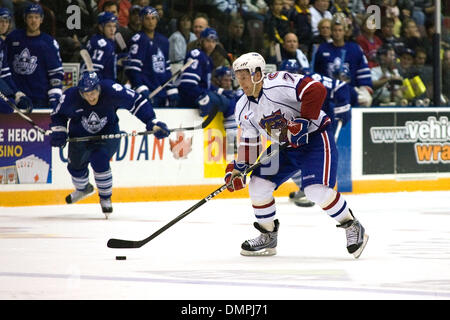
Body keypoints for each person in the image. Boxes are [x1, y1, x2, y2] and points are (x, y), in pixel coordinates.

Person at [226, 52, 368, 258]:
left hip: (315, 138)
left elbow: (316, 90)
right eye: (238, 76)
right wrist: (239, 168)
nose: (241, 81)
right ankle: (268, 236)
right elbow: (251, 142)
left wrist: (303, 121)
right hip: (285, 146)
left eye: (244, 75)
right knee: (258, 184)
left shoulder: (277, 83)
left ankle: (351, 225)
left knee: (315, 191)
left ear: (258, 73)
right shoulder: (242, 107)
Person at [49, 71, 170, 217]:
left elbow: (137, 101)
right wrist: (59, 130)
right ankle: (83, 189)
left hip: (107, 135)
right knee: (75, 168)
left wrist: (152, 122)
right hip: (80, 137)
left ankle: (105, 198)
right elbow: (57, 114)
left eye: (93, 92)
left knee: (99, 159)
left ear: (98, 88)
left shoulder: (112, 90)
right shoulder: (70, 96)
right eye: (86, 94)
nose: (90, 97)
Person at [278, 58, 351, 207]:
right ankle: (304, 189)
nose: (288, 78)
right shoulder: (276, 86)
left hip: (319, 127)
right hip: (296, 127)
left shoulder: (310, 79)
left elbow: (340, 86)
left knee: (309, 159)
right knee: (291, 157)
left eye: (292, 74)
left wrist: (342, 108)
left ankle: (314, 191)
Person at [5, 3, 64, 109]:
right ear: (25, 19)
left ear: (41, 20)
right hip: (15, 97)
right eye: (30, 17)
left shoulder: (48, 42)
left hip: (40, 99)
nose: (33, 21)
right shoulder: (12, 38)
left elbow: (56, 73)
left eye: (36, 17)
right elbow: (4, 67)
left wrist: (54, 96)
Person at [313, 14, 373, 107]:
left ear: (345, 31)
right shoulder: (322, 49)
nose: (337, 33)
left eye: (340, 30)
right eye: (335, 30)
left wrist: (365, 86)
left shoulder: (354, 48)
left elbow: (363, 69)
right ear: (331, 32)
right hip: (328, 89)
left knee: (366, 99)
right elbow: (316, 72)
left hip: (350, 88)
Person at [125, 6, 180, 107]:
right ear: (141, 20)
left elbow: (166, 68)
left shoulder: (164, 41)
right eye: (147, 18)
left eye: (153, 18)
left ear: (157, 20)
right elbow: (132, 70)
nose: (150, 21)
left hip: (161, 92)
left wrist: (170, 88)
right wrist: (140, 87)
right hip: (147, 92)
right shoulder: (138, 40)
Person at [177, 28, 231, 118]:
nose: (211, 44)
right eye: (208, 41)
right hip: (189, 98)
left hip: (199, 94)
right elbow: (188, 85)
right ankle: (232, 131)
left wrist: (221, 91)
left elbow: (206, 85)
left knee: (230, 97)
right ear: (201, 41)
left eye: (214, 41)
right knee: (230, 103)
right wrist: (203, 96)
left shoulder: (208, 59)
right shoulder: (197, 55)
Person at [82, 12, 121, 81]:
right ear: (100, 27)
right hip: (98, 84)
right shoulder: (102, 44)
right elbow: (94, 71)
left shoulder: (97, 38)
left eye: (114, 26)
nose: (112, 30)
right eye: (109, 26)